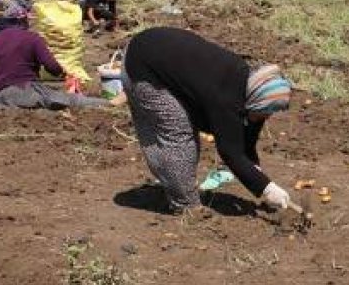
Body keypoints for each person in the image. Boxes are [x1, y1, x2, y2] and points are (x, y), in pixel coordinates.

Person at [120, 27, 295, 214]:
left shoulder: (250, 85)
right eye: (265, 112)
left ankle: (175, 184)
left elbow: (246, 141)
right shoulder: (225, 98)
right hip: (143, 65)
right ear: (255, 101)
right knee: (179, 135)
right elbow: (230, 152)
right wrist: (267, 188)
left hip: (160, 53)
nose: (266, 118)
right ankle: (186, 206)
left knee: (183, 127)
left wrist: (256, 173)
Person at [0, 6, 106, 110]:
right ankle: (109, 103)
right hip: (21, 92)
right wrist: (63, 74)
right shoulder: (32, 38)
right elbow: (51, 66)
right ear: (21, 21)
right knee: (66, 99)